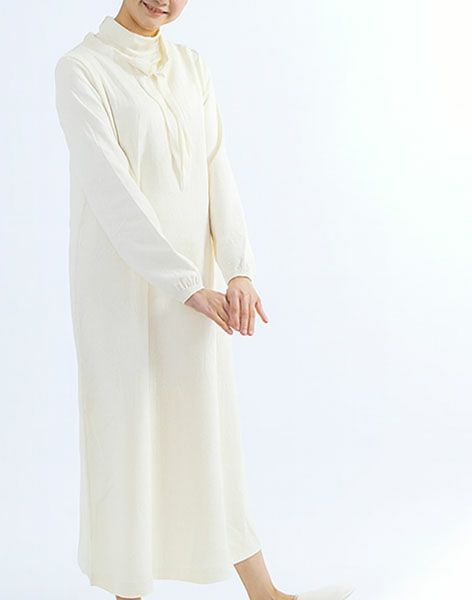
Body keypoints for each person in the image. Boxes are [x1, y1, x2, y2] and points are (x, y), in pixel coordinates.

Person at [54, 2, 355, 600]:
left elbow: (218, 168)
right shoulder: (82, 69)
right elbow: (109, 187)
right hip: (122, 289)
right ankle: (129, 592)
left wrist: (238, 269)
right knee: (127, 431)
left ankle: (264, 593)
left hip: (201, 288)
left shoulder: (191, 67)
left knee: (209, 430)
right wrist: (181, 281)